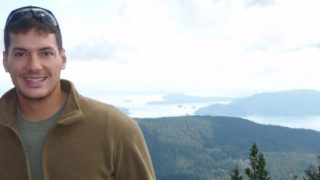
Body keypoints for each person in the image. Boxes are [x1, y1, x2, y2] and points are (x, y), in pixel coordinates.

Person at [0, 5, 156, 180]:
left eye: (46, 53)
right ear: (6, 61)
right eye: (21, 54)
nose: (34, 66)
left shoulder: (115, 129)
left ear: (62, 59)